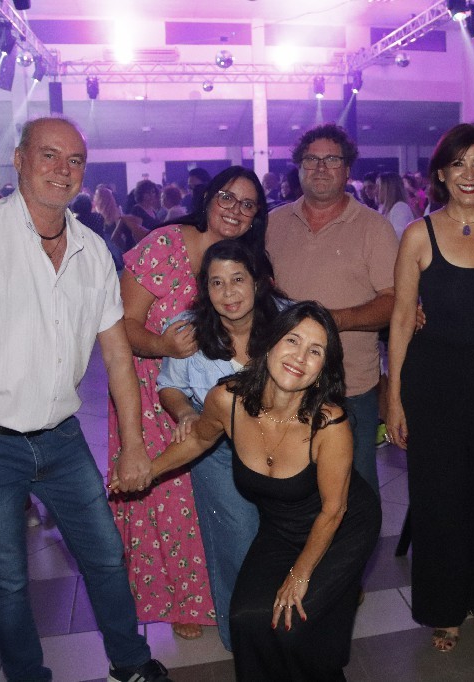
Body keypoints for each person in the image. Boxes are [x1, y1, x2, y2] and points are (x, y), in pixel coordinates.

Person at [0, 117, 170, 682]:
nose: (62, 169)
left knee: (106, 556)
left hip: (62, 440)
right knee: (7, 579)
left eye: (75, 160)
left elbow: (118, 356)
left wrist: (133, 444)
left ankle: (131, 663)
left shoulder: (92, 249)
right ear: (19, 159)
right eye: (49, 155)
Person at [147, 302, 381, 680]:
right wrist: (149, 471)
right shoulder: (228, 399)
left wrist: (300, 574)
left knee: (294, 628)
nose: (299, 357)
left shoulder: (329, 423)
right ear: (270, 344)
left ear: (323, 370)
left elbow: (334, 510)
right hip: (282, 527)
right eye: (292, 340)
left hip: (342, 528)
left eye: (315, 351)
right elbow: (199, 439)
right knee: (246, 618)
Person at [109, 165, 270, 641]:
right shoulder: (165, 244)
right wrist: (163, 346)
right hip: (150, 393)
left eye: (247, 204)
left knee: (214, 504)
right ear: (208, 198)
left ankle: (218, 598)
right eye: (227, 197)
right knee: (166, 501)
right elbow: (121, 326)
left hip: (216, 403)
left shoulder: (248, 260)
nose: (234, 209)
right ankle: (183, 599)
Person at [386, 123, 474, 652]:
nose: (469, 174)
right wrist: (394, 397)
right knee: (438, 500)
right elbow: (402, 317)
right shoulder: (418, 235)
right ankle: (443, 609)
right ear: (441, 174)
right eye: (458, 164)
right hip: (434, 386)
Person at [153, 239, 284, 650]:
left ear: (258, 282)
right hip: (218, 451)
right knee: (238, 545)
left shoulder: (290, 321)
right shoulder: (188, 329)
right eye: (216, 283)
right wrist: (186, 414)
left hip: (285, 448)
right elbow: (170, 386)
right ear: (204, 289)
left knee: (285, 542)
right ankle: (244, 643)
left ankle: (289, 634)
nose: (228, 293)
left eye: (238, 279)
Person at [267, 124, 398, 496]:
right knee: (289, 492)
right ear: (299, 167)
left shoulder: (374, 228)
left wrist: (333, 321)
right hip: (283, 385)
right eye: (311, 159)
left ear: (347, 169)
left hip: (350, 388)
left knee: (354, 493)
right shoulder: (274, 223)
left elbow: (393, 303)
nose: (321, 167)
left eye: (332, 159)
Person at [376, 171, 415, 239]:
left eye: (379, 187)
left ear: (389, 189)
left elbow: (398, 237)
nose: (375, 191)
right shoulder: (384, 210)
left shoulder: (400, 208)